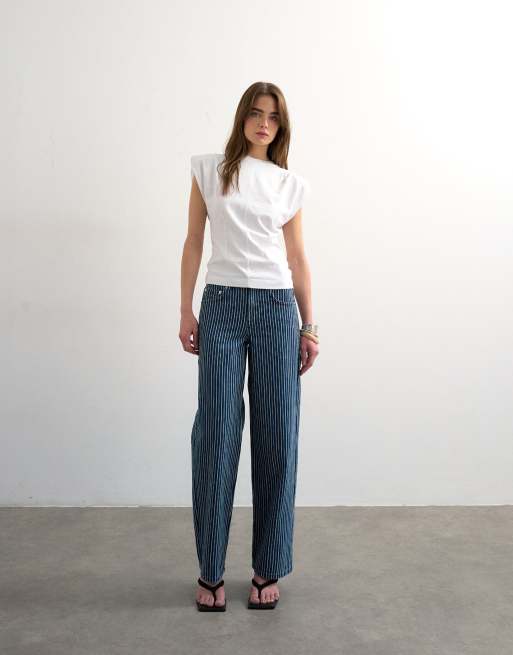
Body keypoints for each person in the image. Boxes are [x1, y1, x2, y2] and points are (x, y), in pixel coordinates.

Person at [179, 81, 320, 611]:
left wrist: (310, 326)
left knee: (277, 435)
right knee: (215, 434)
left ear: (282, 127)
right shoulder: (209, 170)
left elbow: (298, 258)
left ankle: (267, 567)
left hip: (277, 309)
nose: (264, 123)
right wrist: (186, 310)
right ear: (242, 117)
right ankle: (210, 570)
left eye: (274, 117)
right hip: (220, 305)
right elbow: (194, 240)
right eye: (256, 113)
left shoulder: (288, 184)